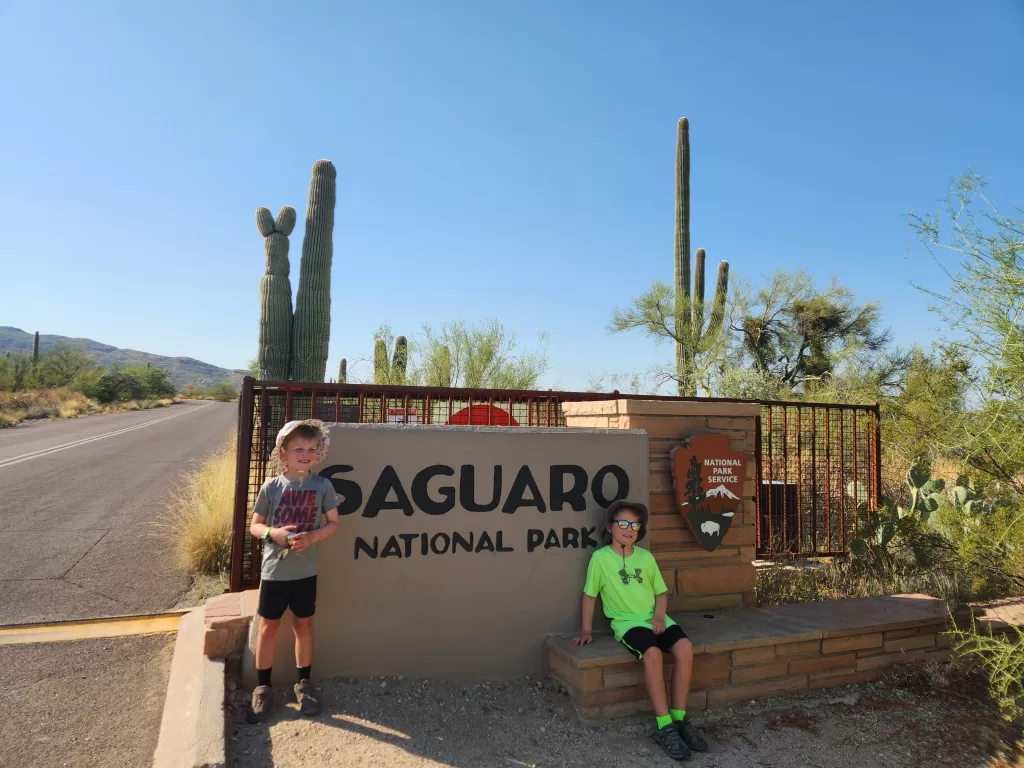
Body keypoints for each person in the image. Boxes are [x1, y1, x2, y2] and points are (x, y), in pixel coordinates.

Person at [572, 500, 708, 761]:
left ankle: (680, 719)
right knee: (653, 654)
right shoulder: (600, 559)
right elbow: (590, 596)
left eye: (635, 524)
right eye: (622, 523)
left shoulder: (646, 557)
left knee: (685, 648)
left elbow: (661, 592)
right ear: (610, 527)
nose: (629, 528)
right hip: (628, 623)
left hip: (655, 619)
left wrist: (659, 616)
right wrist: (586, 630)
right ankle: (664, 725)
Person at [247, 419, 340, 722]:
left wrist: (313, 537)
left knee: (304, 626)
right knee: (268, 628)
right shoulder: (271, 487)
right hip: (274, 572)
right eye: (298, 448)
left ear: (318, 453)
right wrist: (272, 534)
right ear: (284, 453)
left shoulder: (323, 485)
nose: (305, 453)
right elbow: (255, 525)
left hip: (306, 572)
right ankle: (262, 687)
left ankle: (304, 684)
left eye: (311, 449)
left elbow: (334, 523)